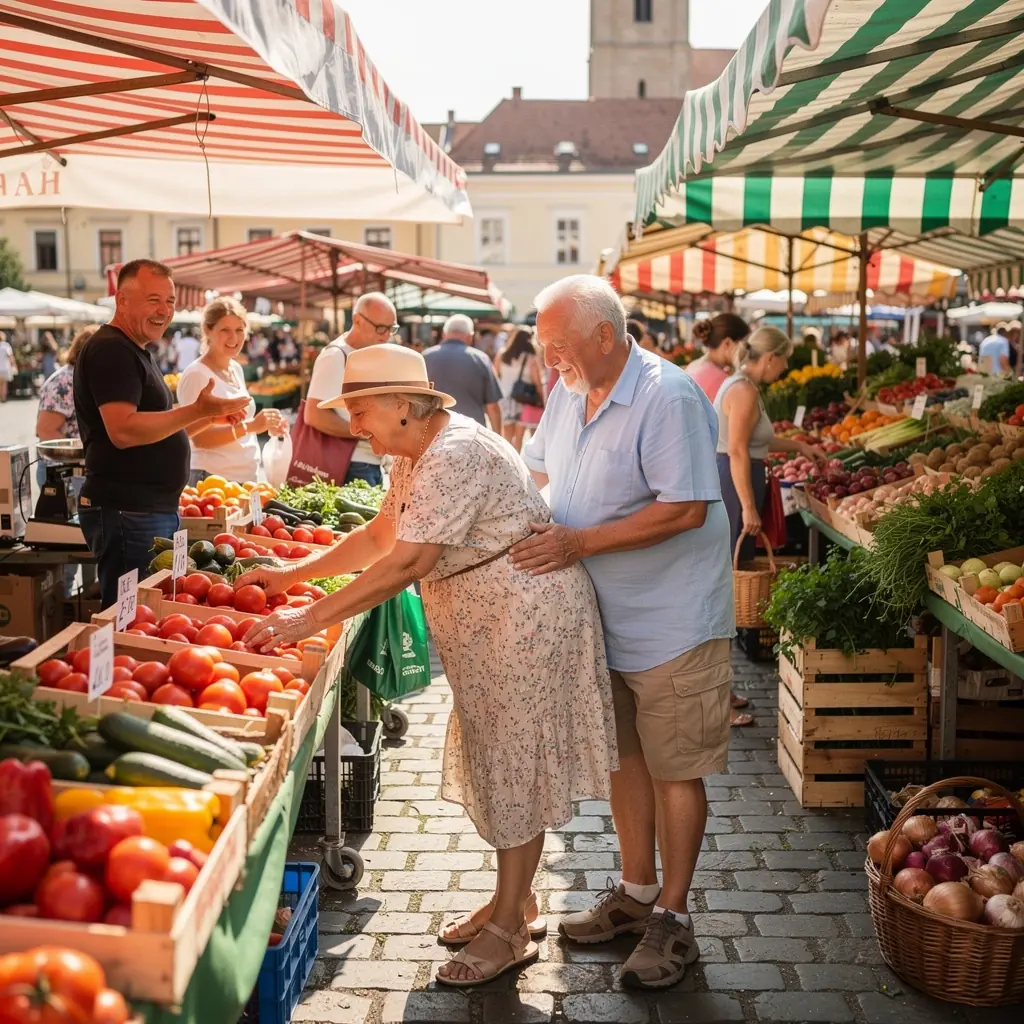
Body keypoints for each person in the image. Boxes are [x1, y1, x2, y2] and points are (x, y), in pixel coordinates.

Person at [235, 343, 617, 988]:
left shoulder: (453, 453)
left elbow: (408, 563)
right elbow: (382, 537)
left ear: (403, 406)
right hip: (487, 625)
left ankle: (510, 933)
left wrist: (308, 618)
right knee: (499, 759)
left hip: (520, 622)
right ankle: (513, 900)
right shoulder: (414, 453)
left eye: (359, 409)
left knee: (512, 763)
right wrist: (291, 577)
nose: (352, 426)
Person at [510, 274, 733, 991]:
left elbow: (686, 511)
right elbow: (537, 472)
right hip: (598, 616)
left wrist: (579, 543)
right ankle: (636, 895)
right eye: (544, 349)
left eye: (559, 347)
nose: (550, 362)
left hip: (672, 620)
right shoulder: (568, 392)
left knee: (675, 769)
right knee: (623, 760)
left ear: (606, 336)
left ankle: (673, 919)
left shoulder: (667, 395)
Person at [73, 259, 250, 608]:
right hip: (127, 511)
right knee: (130, 615)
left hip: (146, 510)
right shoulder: (111, 349)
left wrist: (211, 417)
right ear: (122, 300)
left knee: (150, 610)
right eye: (153, 299)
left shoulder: (135, 350)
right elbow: (123, 430)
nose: (164, 310)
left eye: (169, 301)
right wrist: (198, 410)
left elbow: (162, 429)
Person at [684, 313, 755, 727]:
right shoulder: (715, 379)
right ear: (730, 344)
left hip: (705, 486)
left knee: (713, 596)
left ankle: (720, 692)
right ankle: (715, 697)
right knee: (714, 600)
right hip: (712, 488)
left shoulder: (700, 371)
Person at [715, 327, 825, 570]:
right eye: (784, 359)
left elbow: (756, 441)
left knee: (737, 562)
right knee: (734, 565)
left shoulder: (743, 385)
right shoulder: (743, 391)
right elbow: (737, 450)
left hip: (737, 477)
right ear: (770, 358)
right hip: (735, 483)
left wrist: (798, 446)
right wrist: (748, 507)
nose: (785, 367)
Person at [175, 297, 288, 485]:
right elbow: (200, 438)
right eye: (224, 330)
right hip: (211, 478)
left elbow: (241, 423)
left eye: (239, 330)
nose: (233, 338)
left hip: (243, 479)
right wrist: (251, 427)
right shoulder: (197, 374)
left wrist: (267, 424)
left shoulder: (235, 369)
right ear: (207, 331)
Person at [304, 292, 398, 486]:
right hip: (351, 463)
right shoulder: (335, 356)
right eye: (381, 328)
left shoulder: (371, 352)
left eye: (392, 328)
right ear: (357, 320)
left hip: (369, 462)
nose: (387, 335)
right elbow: (313, 415)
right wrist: (367, 432)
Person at [423, 314, 503, 432]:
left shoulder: (424, 358)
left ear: (444, 334)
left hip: (433, 432)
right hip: (472, 434)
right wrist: (498, 440)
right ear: (470, 336)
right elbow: (493, 407)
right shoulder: (481, 359)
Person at [493, 328, 546, 451]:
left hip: (504, 398)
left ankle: (506, 458)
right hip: (523, 400)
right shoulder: (531, 358)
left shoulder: (502, 354)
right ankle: (516, 461)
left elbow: (495, 374)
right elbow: (537, 381)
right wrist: (542, 399)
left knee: (506, 435)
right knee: (519, 437)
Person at [685, 314, 750, 402]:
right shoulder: (720, 379)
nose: (746, 352)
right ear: (727, 343)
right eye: (744, 346)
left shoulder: (694, 365)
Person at [0, 331, 16, 403]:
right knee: (4, 384)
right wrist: (14, 365)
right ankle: (3, 397)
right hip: (5, 367)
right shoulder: (6, 346)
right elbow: (11, 357)